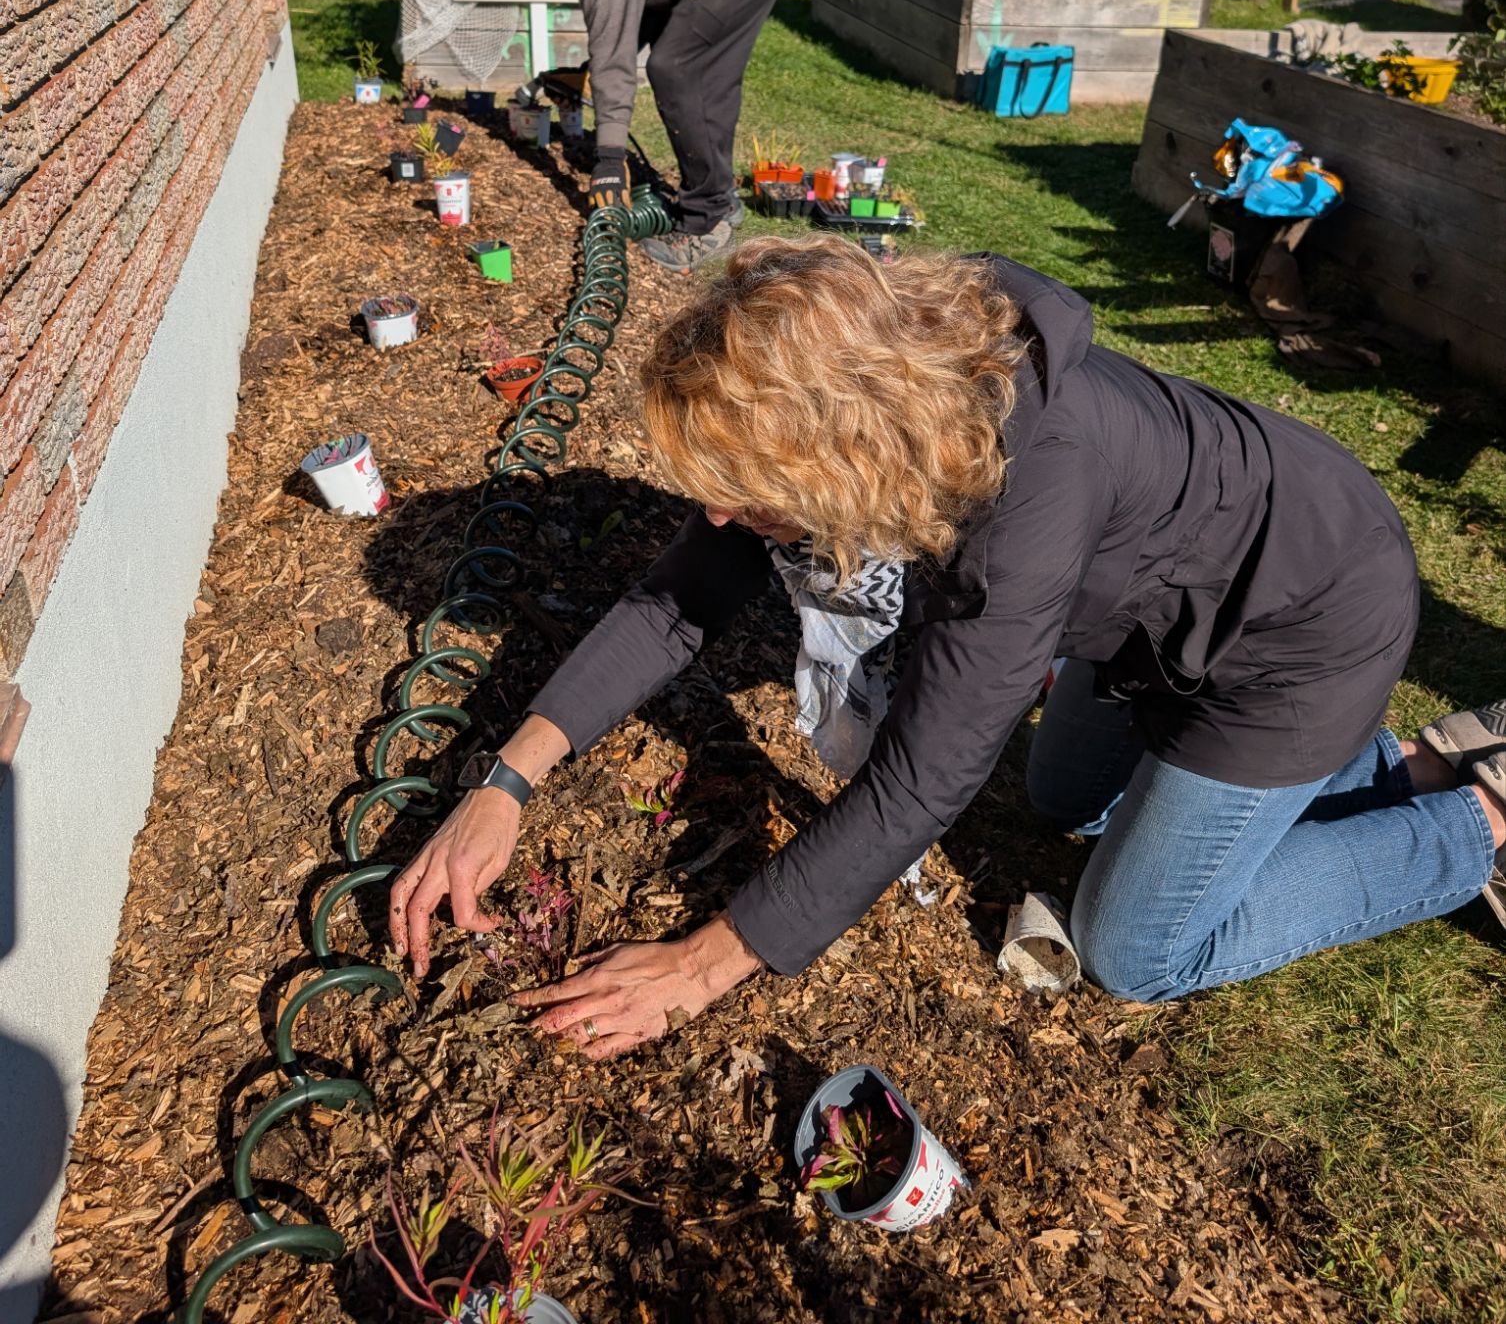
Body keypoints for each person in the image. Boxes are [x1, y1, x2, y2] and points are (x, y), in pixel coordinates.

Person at [389, 238, 1505, 1057]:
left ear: (842, 450)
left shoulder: (1021, 508)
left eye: (746, 498)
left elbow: (922, 777)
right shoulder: (895, 377)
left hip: (1305, 629)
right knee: (1063, 797)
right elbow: (683, 592)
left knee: (1135, 946)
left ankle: (1475, 818)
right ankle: (1387, 767)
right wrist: (505, 779)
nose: (721, 520)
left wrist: (702, 963)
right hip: (1158, 617)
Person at [485, 0, 804, 273]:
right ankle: (718, 199)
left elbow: (616, 56)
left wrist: (610, 162)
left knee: (679, 68)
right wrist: (589, 73)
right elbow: (635, 17)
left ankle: (706, 222)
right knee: (699, 68)